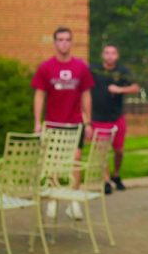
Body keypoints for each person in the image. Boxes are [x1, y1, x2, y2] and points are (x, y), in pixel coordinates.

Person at [32, 26, 94, 219]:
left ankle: (74, 201)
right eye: (60, 39)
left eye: (67, 39)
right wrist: (37, 122)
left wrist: (89, 122)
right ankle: (53, 199)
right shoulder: (46, 67)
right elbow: (39, 95)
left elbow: (86, 94)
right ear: (55, 43)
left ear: (71, 42)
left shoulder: (80, 67)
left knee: (75, 161)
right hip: (53, 124)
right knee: (54, 164)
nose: (64, 43)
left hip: (74, 124)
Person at [90, 44, 140, 194]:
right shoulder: (94, 70)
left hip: (116, 117)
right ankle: (106, 181)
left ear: (117, 56)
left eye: (113, 53)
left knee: (118, 150)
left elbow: (136, 88)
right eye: (106, 53)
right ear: (102, 55)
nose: (109, 56)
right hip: (98, 117)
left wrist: (120, 89)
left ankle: (116, 175)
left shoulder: (123, 72)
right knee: (102, 151)